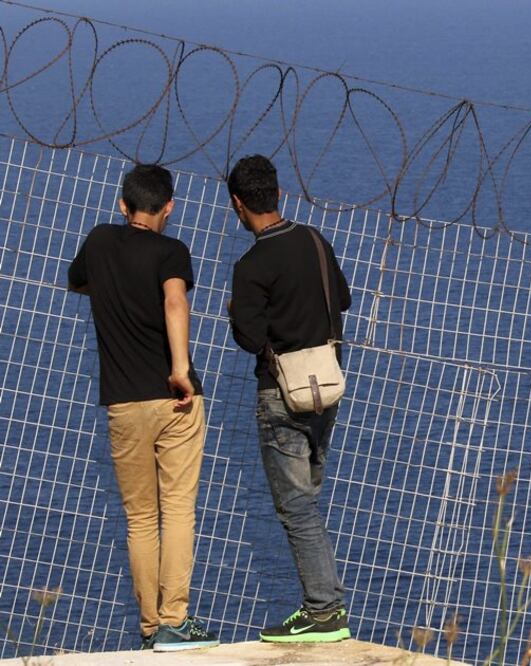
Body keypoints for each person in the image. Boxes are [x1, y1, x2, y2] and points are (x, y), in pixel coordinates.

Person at [67, 164, 219, 652]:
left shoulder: (97, 243)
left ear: (122, 204)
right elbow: (175, 303)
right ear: (169, 207)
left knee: (139, 518)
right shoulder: (171, 251)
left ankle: (151, 626)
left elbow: (80, 283)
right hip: (175, 400)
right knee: (176, 509)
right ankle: (176, 620)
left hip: (122, 403)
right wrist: (179, 368)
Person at [227, 154, 352, 643]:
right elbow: (340, 299)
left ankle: (323, 609)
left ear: (239, 204)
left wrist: (238, 310)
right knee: (309, 502)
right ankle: (324, 604)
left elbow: (249, 336)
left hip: (282, 394)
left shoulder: (251, 264)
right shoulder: (315, 242)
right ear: (278, 194)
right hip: (327, 384)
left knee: (296, 508)